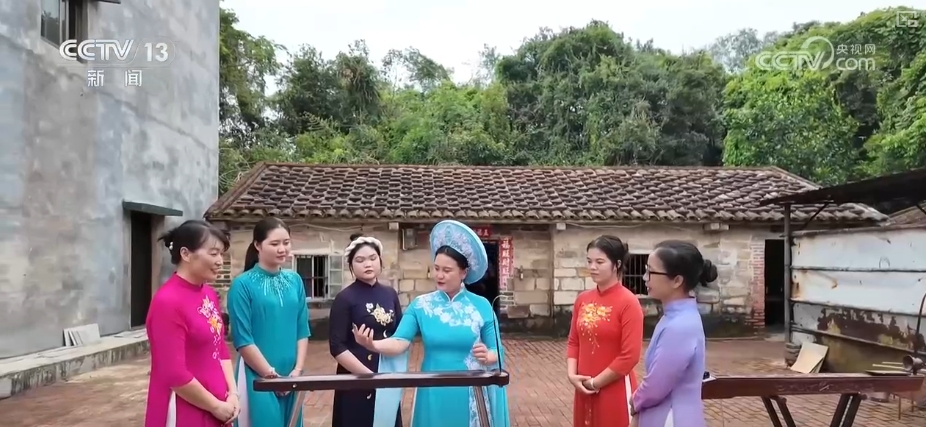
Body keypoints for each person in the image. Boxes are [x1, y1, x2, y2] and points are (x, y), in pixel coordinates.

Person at [353, 220, 510, 427]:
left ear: (463, 272)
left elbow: (497, 350)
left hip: (471, 391)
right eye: (436, 268)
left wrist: (489, 356)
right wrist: (373, 345)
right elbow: (399, 341)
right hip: (432, 389)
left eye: (447, 270)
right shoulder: (421, 305)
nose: (439, 275)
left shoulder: (481, 306)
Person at [145, 220, 238, 427]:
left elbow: (220, 348)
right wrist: (215, 406)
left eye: (221, 254)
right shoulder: (167, 302)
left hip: (219, 403)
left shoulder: (208, 294)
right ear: (186, 254)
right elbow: (174, 373)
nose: (220, 261)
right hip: (184, 407)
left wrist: (233, 393)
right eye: (213, 253)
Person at [227, 217, 311, 427]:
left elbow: (302, 329)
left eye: (286, 242)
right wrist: (271, 377)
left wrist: (297, 371)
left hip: (292, 375)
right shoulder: (242, 285)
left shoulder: (295, 280)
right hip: (257, 376)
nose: (282, 249)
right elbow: (243, 339)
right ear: (257, 245)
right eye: (274, 244)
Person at [630, 240, 714, 427]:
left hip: (671, 417)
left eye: (651, 272)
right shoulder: (675, 316)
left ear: (677, 281)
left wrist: (634, 401)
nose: (645, 277)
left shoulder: (680, 325)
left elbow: (657, 385)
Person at [566, 235, 644, 427]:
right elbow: (574, 341)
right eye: (589, 261)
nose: (592, 267)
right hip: (583, 387)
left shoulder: (629, 303)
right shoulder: (582, 299)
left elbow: (629, 356)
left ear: (617, 264)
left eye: (599, 262)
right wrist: (572, 376)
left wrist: (596, 383)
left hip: (614, 388)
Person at [328, 233, 404, 427]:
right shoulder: (345, 298)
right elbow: (337, 346)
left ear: (380, 261)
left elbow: (400, 334)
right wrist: (369, 377)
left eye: (372, 258)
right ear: (351, 266)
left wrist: (387, 375)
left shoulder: (390, 294)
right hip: (355, 377)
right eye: (360, 260)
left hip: (386, 371)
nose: (367, 264)